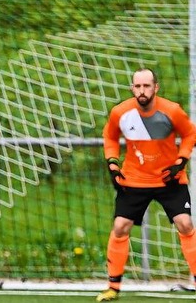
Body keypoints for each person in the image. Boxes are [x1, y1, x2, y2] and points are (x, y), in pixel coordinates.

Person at [96, 68, 196, 302]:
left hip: (168, 179)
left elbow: (190, 134)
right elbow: (110, 137)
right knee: (120, 226)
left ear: (155, 88)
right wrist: (112, 163)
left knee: (185, 223)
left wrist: (180, 162)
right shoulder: (120, 112)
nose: (142, 91)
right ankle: (113, 287)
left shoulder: (172, 111)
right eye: (138, 86)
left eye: (147, 86)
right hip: (134, 179)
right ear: (133, 88)